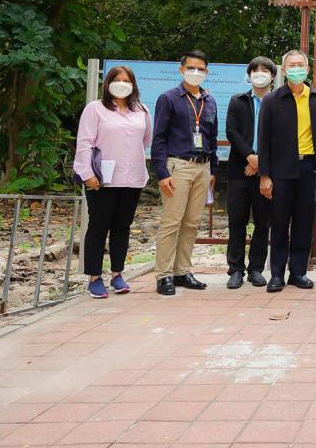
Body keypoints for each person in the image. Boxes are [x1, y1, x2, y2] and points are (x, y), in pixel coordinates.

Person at [257, 49, 316, 292]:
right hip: (281, 169)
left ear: (307, 69)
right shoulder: (272, 100)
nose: (297, 69)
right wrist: (265, 175)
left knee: (304, 222)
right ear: (284, 70)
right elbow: (263, 140)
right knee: (280, 222)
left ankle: (298, 272)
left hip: (309, 167)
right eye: (292, 65)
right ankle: (276, 274)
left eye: (301, 65)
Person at [74, 66, 151, 299]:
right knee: (98, 227)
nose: (122, 83)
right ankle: (94, 278)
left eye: (127, 80)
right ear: (108, 83)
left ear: (133, 85)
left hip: (132, 178)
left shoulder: (142, 110)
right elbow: (85, 142)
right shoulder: (95, 109)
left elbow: (145, 140)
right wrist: (87, 173)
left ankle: (118, 274)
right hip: (102, 179)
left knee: (122, 227)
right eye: (117, 79)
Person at [150, 50, 218, 296]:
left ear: (206, 72)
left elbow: (211, 135)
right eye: (191, 68)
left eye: (201, 69)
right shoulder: (168, 98)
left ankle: (182, 271)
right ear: (181, 69)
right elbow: (159, 138)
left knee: (192, 222)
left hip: (203, 167)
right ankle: (164, 275)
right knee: (172, 222)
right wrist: (162, 173)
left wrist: (213, 169)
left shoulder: (209, 100)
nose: (195, 72)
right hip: (177, 166)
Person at [223, 56, 277, 290]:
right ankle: (235, 269)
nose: (259, 74)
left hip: (267, 173)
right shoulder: (238, 101)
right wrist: (250, 157)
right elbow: (232, 132)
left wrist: (260, 163)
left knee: (263, 223)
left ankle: (256, 269)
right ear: (249, 75)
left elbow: (282, 136)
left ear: (273, 76)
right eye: (255, 70)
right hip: (240, 171)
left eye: (265, 70)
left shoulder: (279, 102)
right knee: (237, 222)